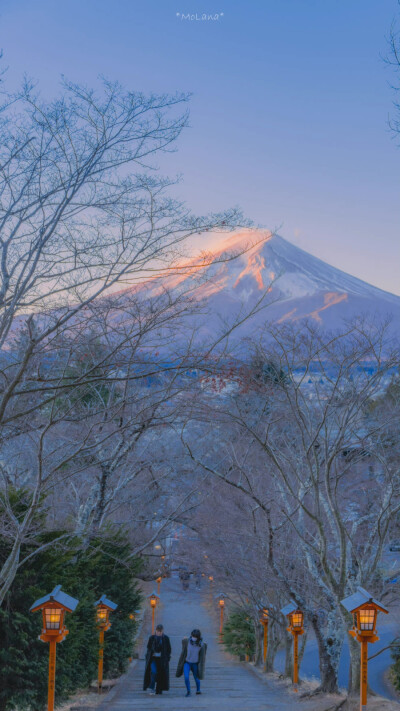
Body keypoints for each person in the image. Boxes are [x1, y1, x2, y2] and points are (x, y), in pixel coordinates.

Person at [176, 628, 207, 697]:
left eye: (195, 637)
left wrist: (201, 665)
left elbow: (203, 655)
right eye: (192, 636)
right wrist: (184, 638)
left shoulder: (201, 645)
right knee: (186, 677)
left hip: (195, 664)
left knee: (196, 677)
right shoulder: (187, 641)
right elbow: (183, 643)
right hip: (187, 662)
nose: (193, 638)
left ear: (198, 637)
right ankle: (188, 691)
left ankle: (198, 690)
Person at [143, 624, 171, 696]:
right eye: (158, 631)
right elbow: (148, 647)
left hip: (162, 659)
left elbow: (169, 649)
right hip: (153, 659)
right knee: (153, 672)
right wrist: (149, 655)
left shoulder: (166, 638)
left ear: (162, 631)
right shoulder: (152, 638)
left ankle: (159, 689)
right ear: (155, 631)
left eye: (160, 631)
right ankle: (152, 687)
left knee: (161, 674)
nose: (159, 633)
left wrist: (167, 658)